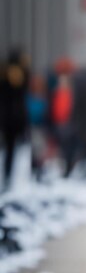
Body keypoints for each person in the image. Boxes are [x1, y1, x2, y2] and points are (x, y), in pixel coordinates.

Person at [0, 48, 29, 190]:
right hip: (16, 119)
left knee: (10, 149)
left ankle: (7, 176)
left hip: (7, 119)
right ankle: (9, 177)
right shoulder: (22, 74)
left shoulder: (5, 73)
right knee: (14, 150)